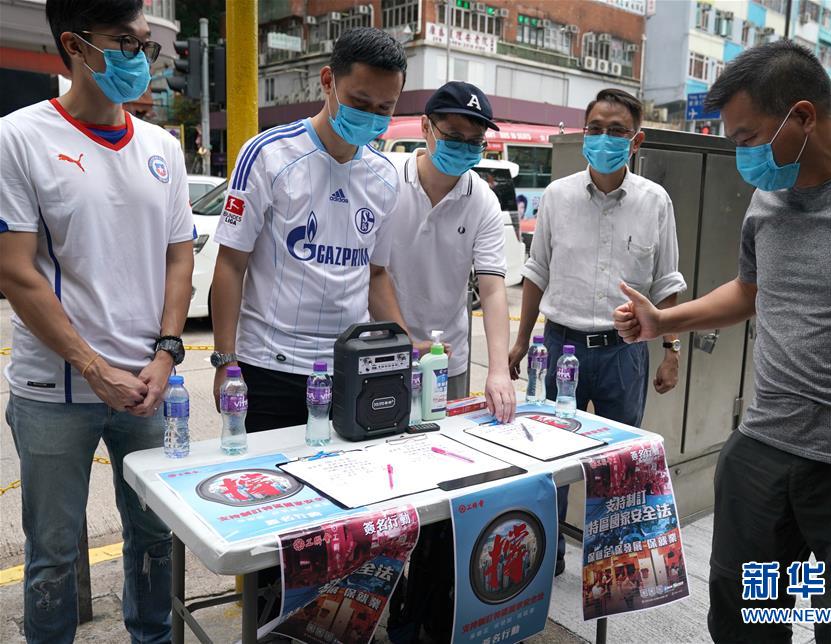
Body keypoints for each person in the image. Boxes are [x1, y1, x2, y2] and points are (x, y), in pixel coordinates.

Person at [613, 41, 831, 643]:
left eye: (747, 138)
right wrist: (664, 322)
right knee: (746, 623)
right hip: (764, 450)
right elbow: (749, 290)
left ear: (801, 116)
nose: (740, 155)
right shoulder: (770, 195)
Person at [0, 1, 195, 641]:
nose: (139, 58)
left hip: (147, 388)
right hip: (55, 392)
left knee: (155, 539)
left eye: (145, 45)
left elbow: (178, 257)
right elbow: (16, 271)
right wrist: (92, 366)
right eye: (124, 43)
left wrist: (166, 356)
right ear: (76, 46)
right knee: (53, 556)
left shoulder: (162, 148)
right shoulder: (20, 138)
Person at [509, 88, 687, 575]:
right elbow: (536, 270)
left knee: (618, 466)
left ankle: (610, 563)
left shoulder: (656, 202)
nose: (603, 139)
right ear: (583, 133)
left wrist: (671, 350)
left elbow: (668, 281)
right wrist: (522, 339)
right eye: (595, 129)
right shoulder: (558, 196)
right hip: (558, 344)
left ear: (636, 139)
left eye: (615, 131)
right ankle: (546, 560)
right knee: (550, 460)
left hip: (623, 353)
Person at [211, 27, 414, 430]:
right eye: (360, 102)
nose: (371, 116)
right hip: (269, 368)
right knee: (271, 489)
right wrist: (225, 361)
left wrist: (405, 352)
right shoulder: (267, 155)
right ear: (328, 82)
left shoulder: (386, 177)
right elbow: (231, 264)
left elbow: (375, 274)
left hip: (350, 366)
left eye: (384, 108)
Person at [387, 81, 516, 420]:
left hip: (447, 357)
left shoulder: (483, 200)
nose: (464, 149)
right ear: (426, 126)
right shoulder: (386, 180)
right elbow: (370, 273)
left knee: (443, 451)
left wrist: (498, 369)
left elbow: (491, 290)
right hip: (383, 347)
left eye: (474, 142)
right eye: (454, 138)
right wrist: (402, 343)